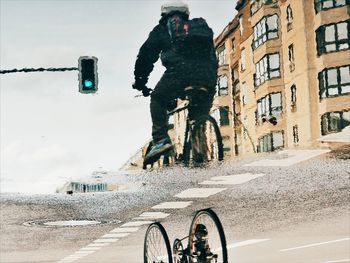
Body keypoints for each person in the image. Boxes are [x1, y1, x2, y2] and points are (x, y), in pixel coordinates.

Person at [132, 0, 218, 164]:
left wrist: (140, 82)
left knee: (157, 98)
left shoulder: (162, 30)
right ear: (186, 14)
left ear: (164, 14)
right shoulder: (199, 29)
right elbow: (212, 56)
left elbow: (145, 57)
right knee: (199, 115)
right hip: (207, 76)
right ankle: (200, 149)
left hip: (180, 73)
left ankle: (160, 140)